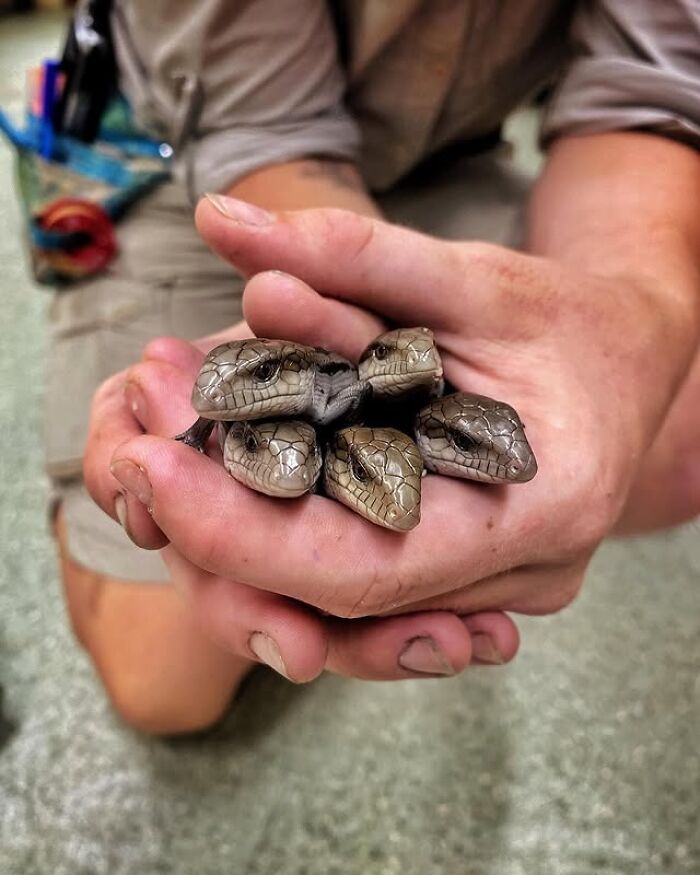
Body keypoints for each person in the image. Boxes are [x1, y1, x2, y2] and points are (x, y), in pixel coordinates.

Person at [49, 1, 700, 734]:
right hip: (183, 166)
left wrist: (631, 321)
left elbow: (650, 93)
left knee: (677, 442)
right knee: (162, 682)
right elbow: (266, 132)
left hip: (451, 155)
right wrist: (363, 301)